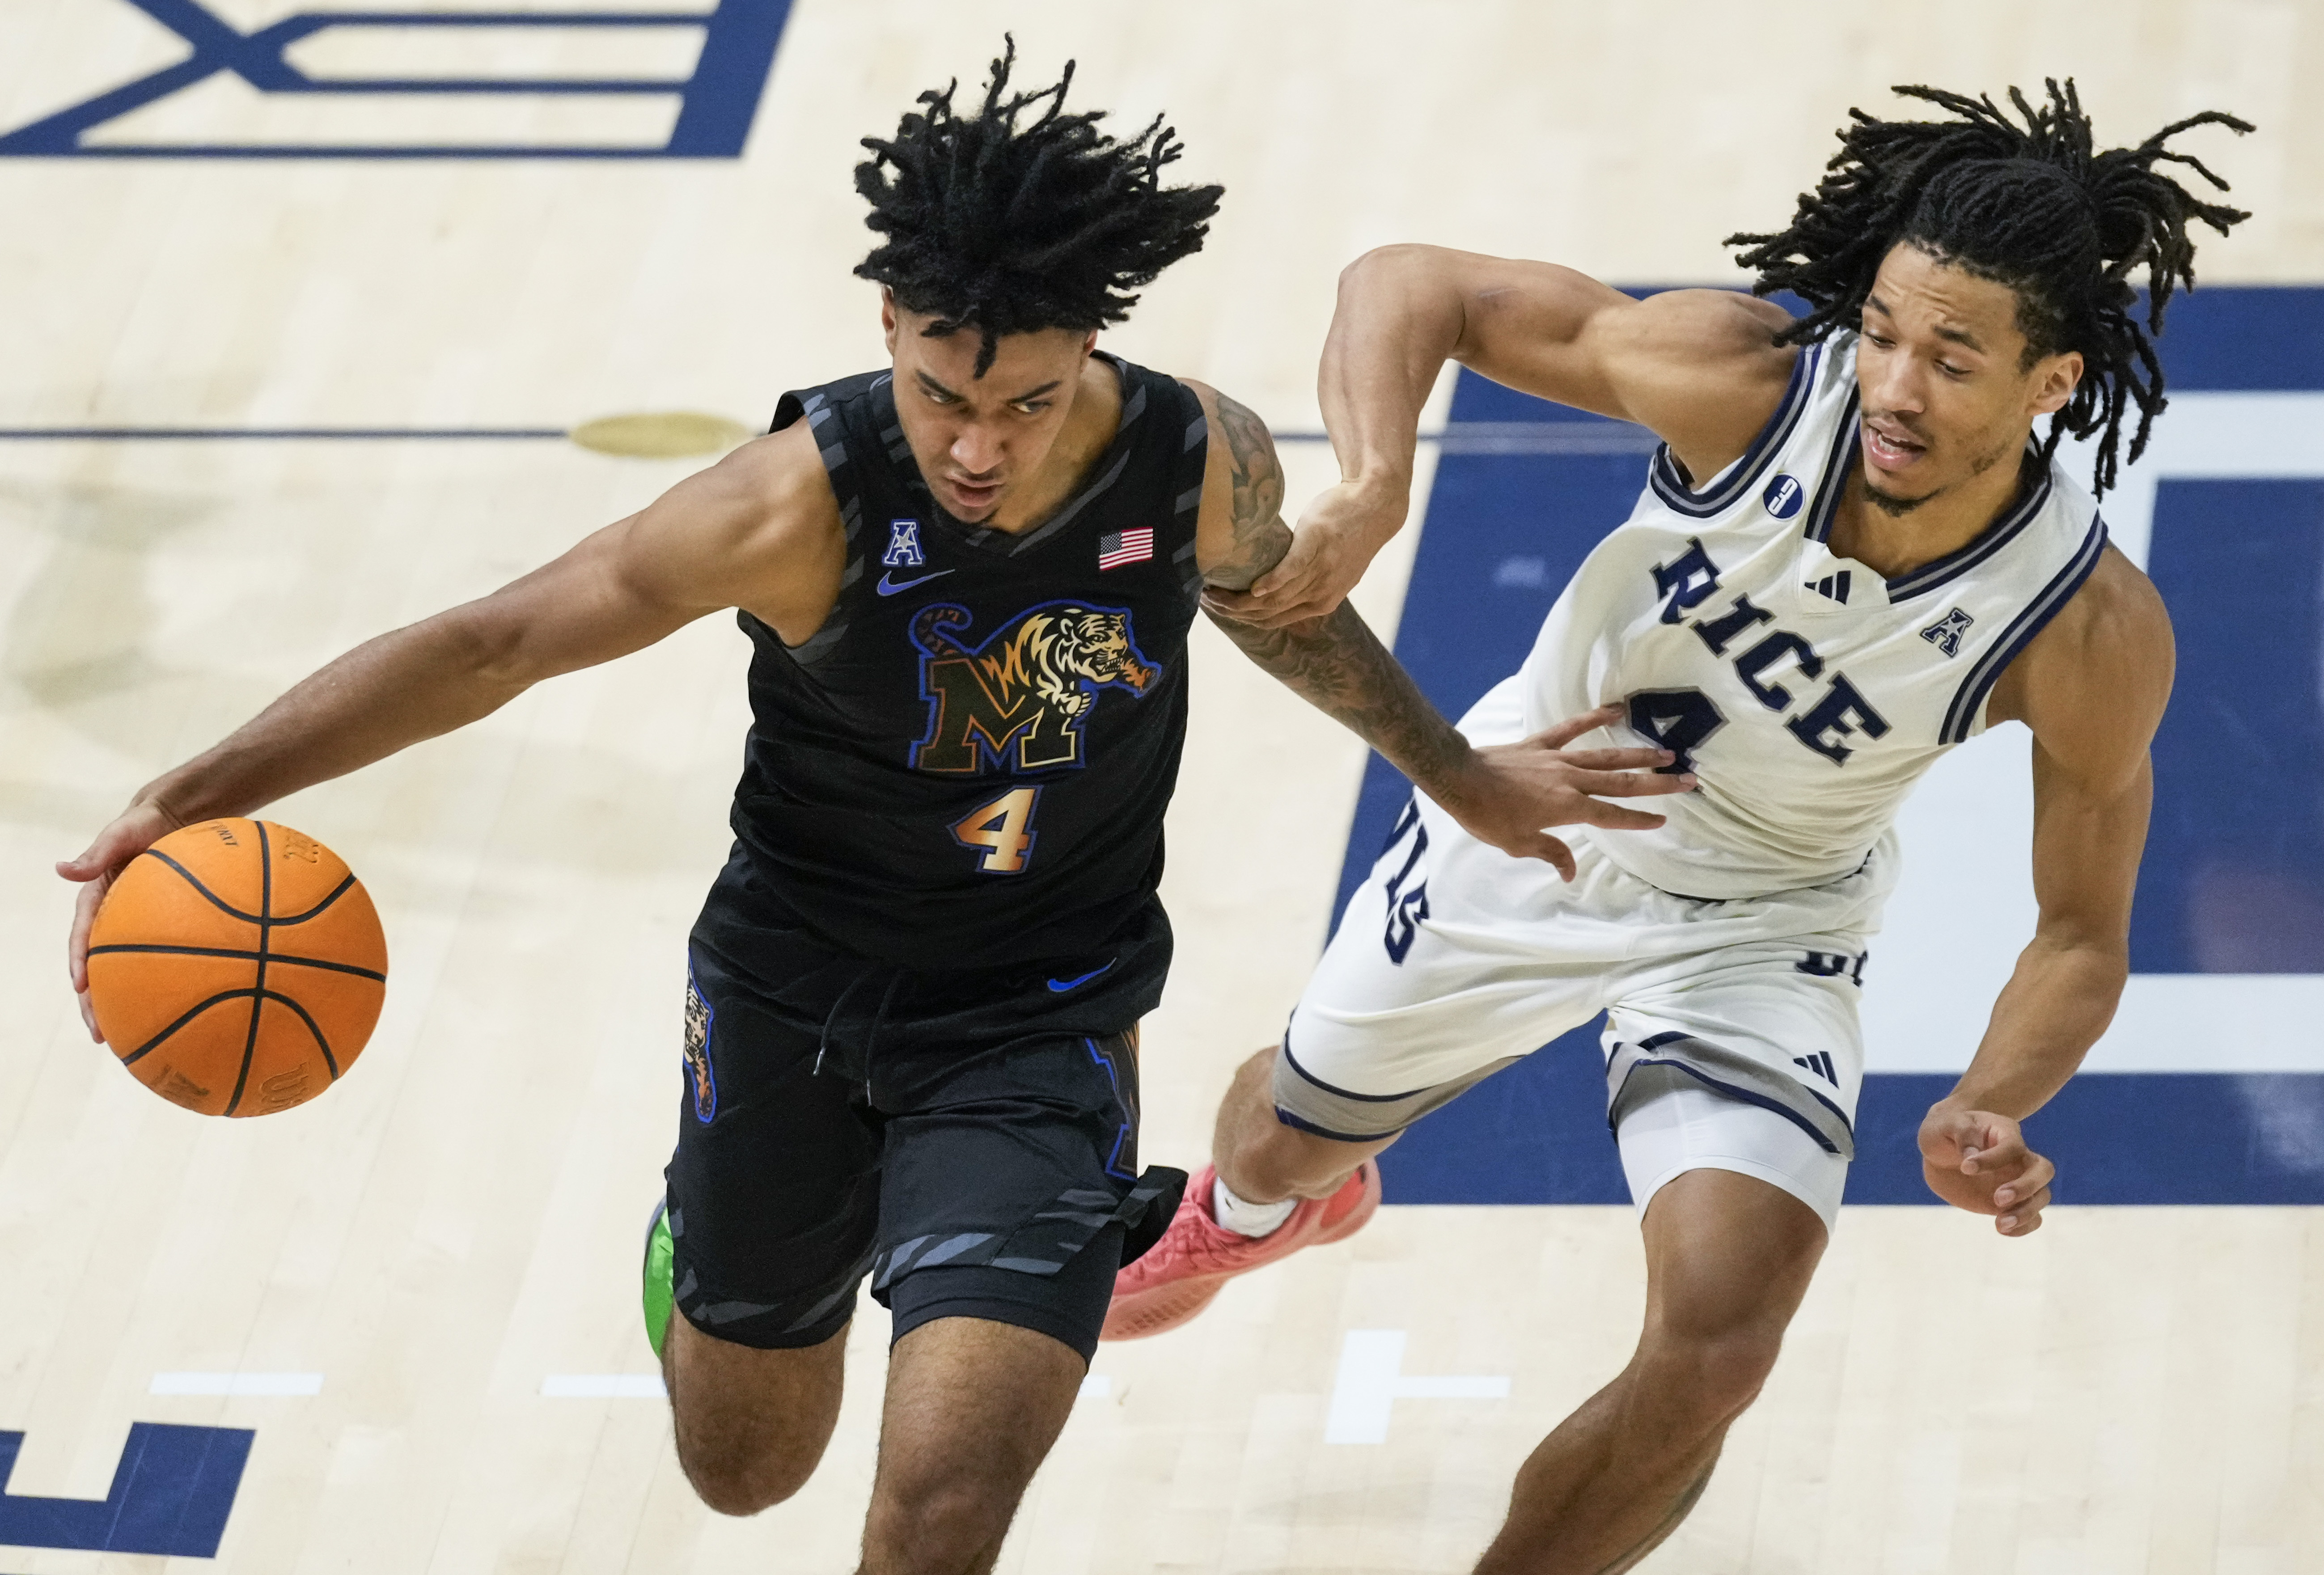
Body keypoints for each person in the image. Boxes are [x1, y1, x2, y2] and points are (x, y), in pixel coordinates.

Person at [56, 46, 1684, 1573]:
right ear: (890, 320)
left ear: (1090, 348)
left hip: (1042, 1007)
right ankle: (714, 1233)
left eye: (1027, 402)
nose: (979, 447)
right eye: (940, 395)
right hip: (794, 988)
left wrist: (1457, 770)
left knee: (945, 1497)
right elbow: (495, 645)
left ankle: (1043, 1223)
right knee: (745, 1466)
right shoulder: (791, 503)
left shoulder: (1192, 458)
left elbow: (1283, 611)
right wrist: (185, 793)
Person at [1107, 81, 2249, 1571]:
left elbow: (2081, 932)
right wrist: (1377, 484)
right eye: (1883, 333)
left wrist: (1990, 1098)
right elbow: (1410, 283)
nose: (1895, 386)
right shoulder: (1749, 385)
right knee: (1279, 1138)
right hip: (1533, 816)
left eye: (1952, 359)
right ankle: (1263, 1209)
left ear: (2051, 382)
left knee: (1719, 1342)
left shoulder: (2084, 628)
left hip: (1764, 920)